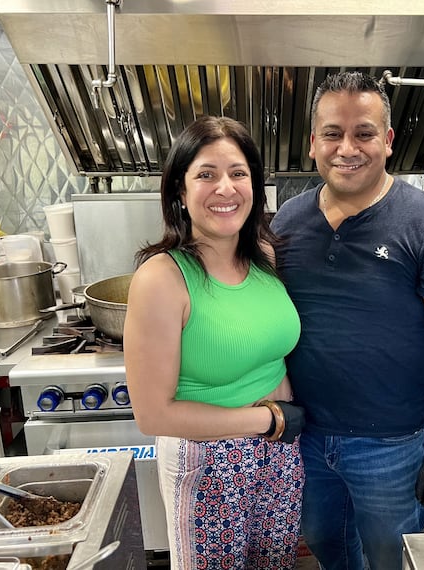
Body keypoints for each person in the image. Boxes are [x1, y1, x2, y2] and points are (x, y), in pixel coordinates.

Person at [270, 71, 424, 570]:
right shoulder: (287, 221)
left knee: (390, 556)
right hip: (306, 435)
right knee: (325, 543)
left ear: (386, 141)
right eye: (332, 133)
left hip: (390, 445)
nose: (348, 148)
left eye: (363, 133)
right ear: (312, 144)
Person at [124, 115, 306, 570]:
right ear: (180, 193)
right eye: (206, 174)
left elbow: (268, 347)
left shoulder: (263, 255)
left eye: (238, 173)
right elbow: (153, 414)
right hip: (208, 463)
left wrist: (276, 422)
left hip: (280, 451)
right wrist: (264, 419)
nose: (225, 188)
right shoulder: (162, 279)